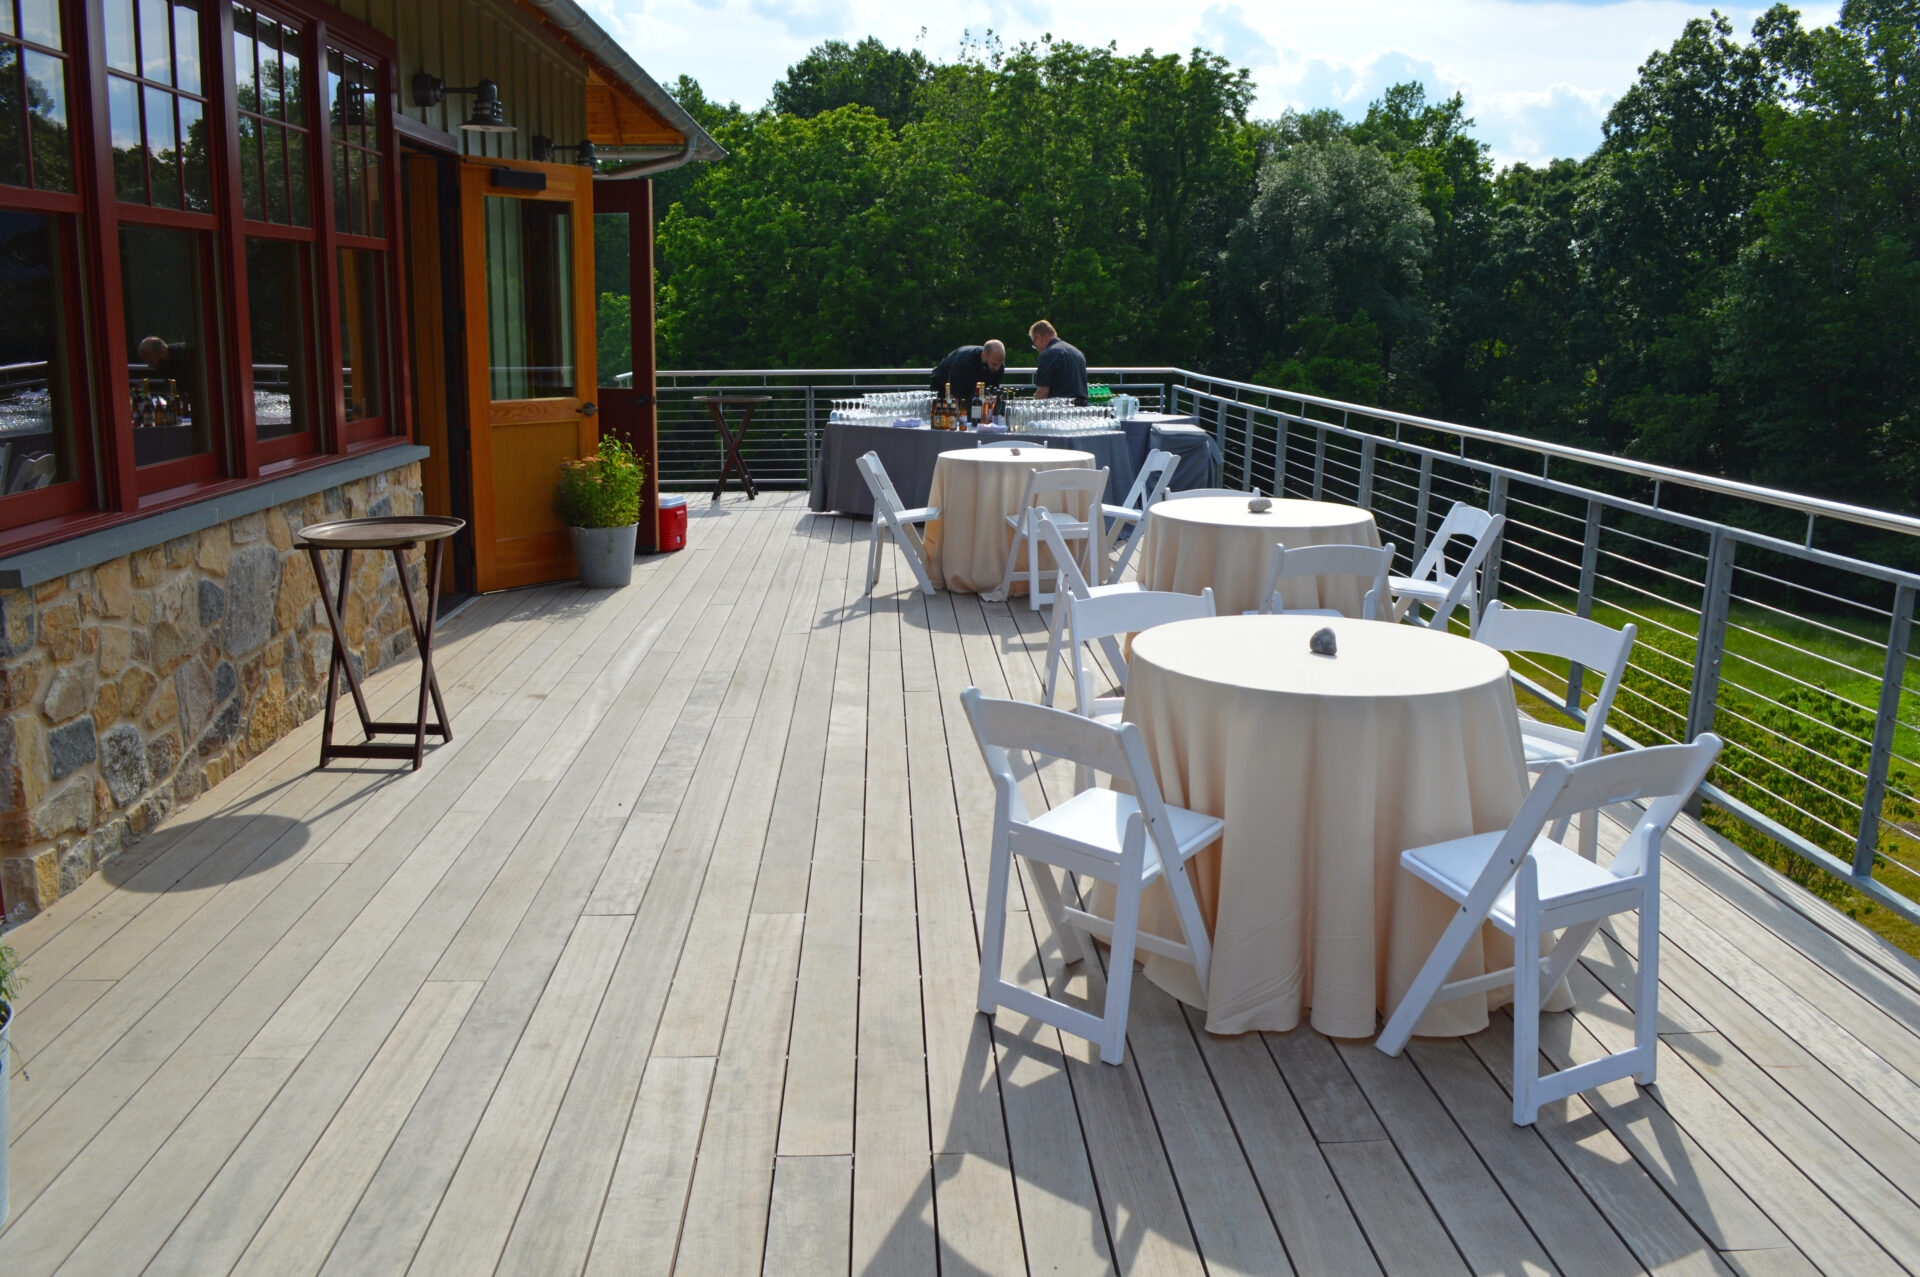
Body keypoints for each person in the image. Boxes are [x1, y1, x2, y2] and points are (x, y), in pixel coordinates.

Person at [1029, 320, 1088, 404]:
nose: (1037, 348)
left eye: (1034, 344)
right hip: (1081, 406)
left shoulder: (1048, 354)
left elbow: (1043, 391)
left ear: (1039, 337)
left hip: (1059, 408)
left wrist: (1034, 408)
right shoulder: (1077, 352)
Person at [929, 340, 1005, 400]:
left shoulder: (998, 364)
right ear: (984, 355)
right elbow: (953, 396)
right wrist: (958, 419)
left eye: (1000, 364)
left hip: (970, 388)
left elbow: (993, 395)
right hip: (942, 385)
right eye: (994, 364)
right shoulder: (963, 363)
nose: (997, 368)